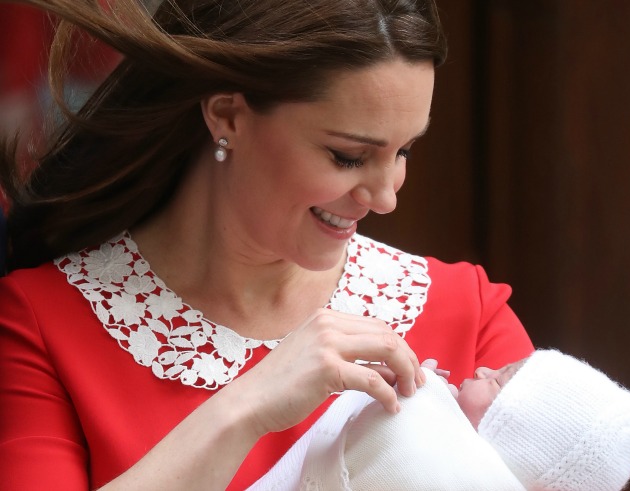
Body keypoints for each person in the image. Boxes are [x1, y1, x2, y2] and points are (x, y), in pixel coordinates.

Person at [0, 0, 534, 489]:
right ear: (227, 115)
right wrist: (248, 405)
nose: (384, 197)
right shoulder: (40, 324)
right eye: (348, 156)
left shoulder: (468, 311)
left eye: (404, 151)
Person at [250, 350, 630, 491]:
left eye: (498, 380)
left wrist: (421, 398)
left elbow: (397, 448)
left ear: (516, 436)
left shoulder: (419, 441)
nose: (482, 370)